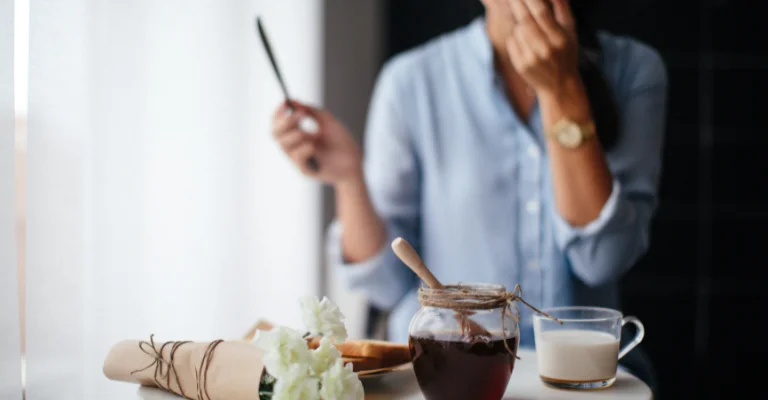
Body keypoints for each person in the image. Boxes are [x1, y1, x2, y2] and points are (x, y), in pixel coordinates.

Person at [271, 0, 666, 391]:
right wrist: (347, 178)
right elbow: (385, 285)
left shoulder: (635, 71)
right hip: (445, 375)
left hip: (580, 380)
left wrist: (562, 90)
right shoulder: (411, 82)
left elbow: (602, 258)